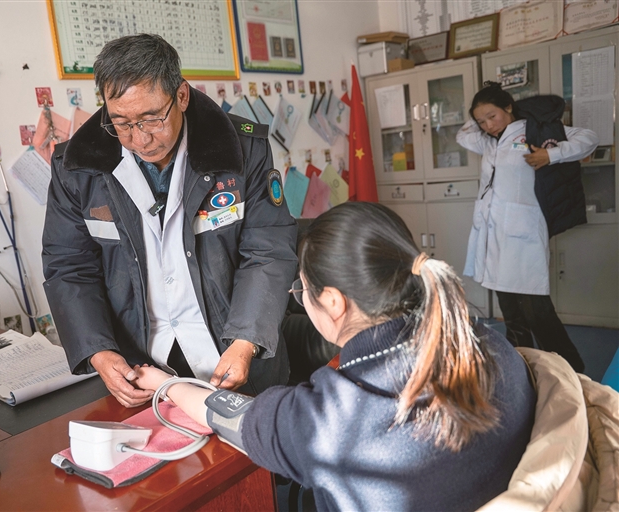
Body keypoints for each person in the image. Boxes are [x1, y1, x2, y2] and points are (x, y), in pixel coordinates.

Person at [133, 202, 537, 511]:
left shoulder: (334, 417)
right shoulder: (486, 342)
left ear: (332, 302)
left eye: (301, 291)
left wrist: (166, 384)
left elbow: (229, 416)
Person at [42, 34, 296, 408]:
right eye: (122, 123)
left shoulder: (241, 151)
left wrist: (246, 341)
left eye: (151, 119)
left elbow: (268, 251)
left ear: (181, 96)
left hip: (234, 352)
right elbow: (68, 266)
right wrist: (98, 351)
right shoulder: (78, 168)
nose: (140, 139)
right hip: (140, 369)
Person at [457, 83, 598, 372]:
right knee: (512, 314)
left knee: (538, 312)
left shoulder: (534, 131)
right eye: (481, 121)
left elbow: (589, 139)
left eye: (492, 116)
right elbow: (463, 135)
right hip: (493, 236)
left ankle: (573, 371)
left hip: (522, 235)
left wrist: (551, 155)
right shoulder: (488, 141)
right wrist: (481, 112)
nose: (488, 125)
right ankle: (521, 371)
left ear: (508, 107)